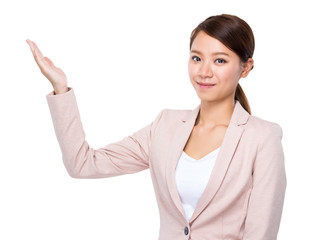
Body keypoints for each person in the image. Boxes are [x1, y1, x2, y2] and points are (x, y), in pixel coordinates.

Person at [27, 14, 286, 240]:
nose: (204, 71)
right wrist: (61, 89)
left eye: (220, 61)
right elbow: (82, 163)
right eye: (197, 58)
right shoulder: (166, 125)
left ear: (246, 68)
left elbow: (261, 233)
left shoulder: (262, 137)